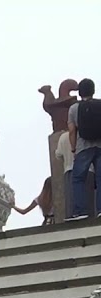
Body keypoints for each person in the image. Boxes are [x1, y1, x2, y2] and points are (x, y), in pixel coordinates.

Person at [68, 78, 101, 220]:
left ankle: (80, 212)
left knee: (78, 179)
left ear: (80, 92)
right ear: (93, 91)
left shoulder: (74, 108)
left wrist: (73, 149)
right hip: (100, 146)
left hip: (83, 148)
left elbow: (72, 131)